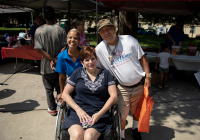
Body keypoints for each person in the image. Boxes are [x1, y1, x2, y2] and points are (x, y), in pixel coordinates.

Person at [95, 18, 151, 140]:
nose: (106, 32)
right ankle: (122, 136)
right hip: (121, 88)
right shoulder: (99, 50)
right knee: (122, 115)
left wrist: (148, 76)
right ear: (100, 34)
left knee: (137, 111)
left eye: (109, 28)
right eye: (102, 30)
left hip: (139, 85)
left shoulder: (129, 40)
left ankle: (135, 129)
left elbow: (142, 58)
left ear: (115, 28)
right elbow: (92, 66)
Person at [61, 46, 118, 140]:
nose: (91, 62)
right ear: (82, 63)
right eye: (87, 60)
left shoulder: (106, 74)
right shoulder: (77, 73)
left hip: (99, 113)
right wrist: (79, 110)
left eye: (93, 59)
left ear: (97, 59)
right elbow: (65, 94)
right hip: (77, 112)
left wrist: (99, 114)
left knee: (89, 137)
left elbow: (114, 97)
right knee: (77, 135)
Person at [34, 6, 67, 116]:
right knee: (60, 87)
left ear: (44, 17)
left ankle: (52, 109)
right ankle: (62, 106)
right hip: (60, 65)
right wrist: (56, 58)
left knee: (48, 89)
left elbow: (39, 49)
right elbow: (64, 46)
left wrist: (51, 59)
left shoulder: (39, 30)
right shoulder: (61, 30)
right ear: (55, 16)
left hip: (46, 67)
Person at [55, 29, 83, 101]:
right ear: (67, 39)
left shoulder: (84, 54)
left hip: (84, 87)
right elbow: (62, 77)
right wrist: (62, 93)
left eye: (75, 38)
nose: (72, 40)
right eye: (70, 37)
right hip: (70, 88)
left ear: (79, 41)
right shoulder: (61, 56)